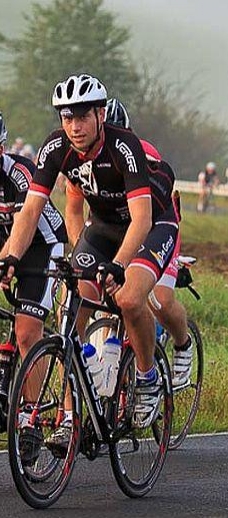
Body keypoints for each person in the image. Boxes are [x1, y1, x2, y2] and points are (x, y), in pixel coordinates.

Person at [0, 74, 179, 450]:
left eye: (82, 117)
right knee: (70, 313)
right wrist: (12, 256)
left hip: (150, 225)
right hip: (104, 228)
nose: (74, 127)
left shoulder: (123, 147)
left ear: (100, 114)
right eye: (67, 118)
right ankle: (70, 418)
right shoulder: (55, 148)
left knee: (129, 298)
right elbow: (31, 210)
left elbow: (142, 219)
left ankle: (146, 378)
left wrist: (118, 266)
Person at [104, 98, 194, 387]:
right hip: (124, 230)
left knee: (160, 299)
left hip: (158, 226)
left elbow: (147, 217)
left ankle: (183, 344)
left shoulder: (142, 154)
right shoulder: (85, 157)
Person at [0, 113, 68, 458]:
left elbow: (23, 226)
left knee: (27, 332)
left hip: (41, 247)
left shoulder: (19, 172)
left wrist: (6, 258)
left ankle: (30, 415)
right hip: (6, 246)